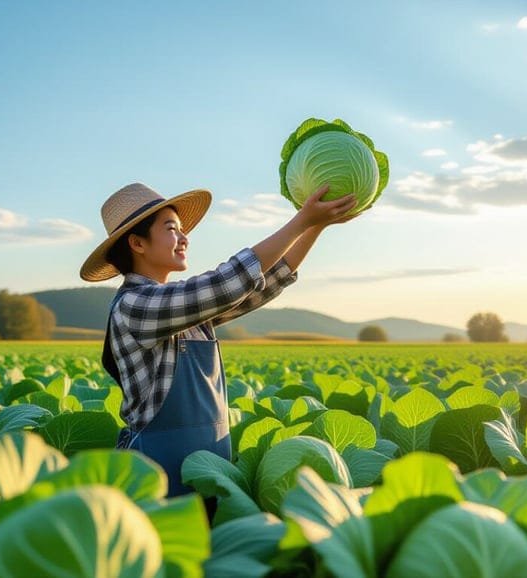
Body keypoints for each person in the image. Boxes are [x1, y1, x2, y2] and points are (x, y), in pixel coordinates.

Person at [79, 181, 358, 508]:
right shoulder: (134, 305)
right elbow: (227, 283)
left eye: (182, 230)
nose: (184, 238)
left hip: (209, 474)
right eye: (172, 229)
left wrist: (315, 225)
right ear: (138, 243)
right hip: (157, 483)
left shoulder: (185, 312)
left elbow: (262, 285)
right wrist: (300, 221)